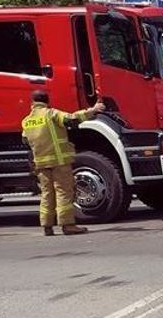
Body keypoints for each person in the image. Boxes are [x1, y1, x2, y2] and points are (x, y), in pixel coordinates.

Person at [21, 90, 105, 236]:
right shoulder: (51, 114)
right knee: (64, 192)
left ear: (32, 103)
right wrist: (93, 110)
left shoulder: (27, 121)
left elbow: (25, 141)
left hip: (40, 164)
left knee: (47, 193)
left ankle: (47, 226)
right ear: (47, 101)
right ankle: (68, 225)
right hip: (59, 161)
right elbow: (71, 119)